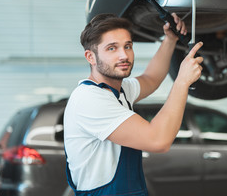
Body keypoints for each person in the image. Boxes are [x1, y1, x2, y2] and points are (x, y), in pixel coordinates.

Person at [64, 13, 203, 196]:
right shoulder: (89, 99)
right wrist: (182, 82)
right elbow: (158, 140)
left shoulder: (117, 90)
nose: (124, 55)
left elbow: (151, 78)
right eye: (112, 48)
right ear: (90, 57)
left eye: (127, 46)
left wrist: (170, 39)